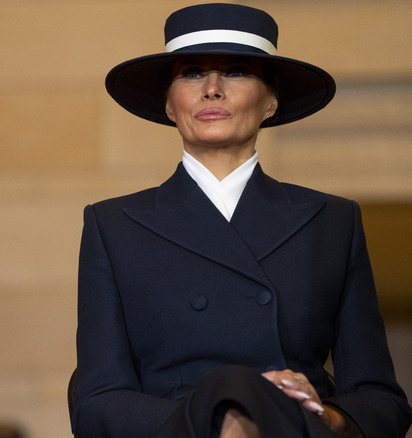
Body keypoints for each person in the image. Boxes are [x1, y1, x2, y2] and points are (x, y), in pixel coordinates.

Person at [71, 4, 412, 438]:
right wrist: (215, 416)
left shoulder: (333, 221)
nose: (212, 89)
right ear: (170, 106)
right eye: (192, 73)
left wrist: (320, 414)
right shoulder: (113, 225)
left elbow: (382, 400)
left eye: (235, 71)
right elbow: (96, 402)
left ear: (271, 102)